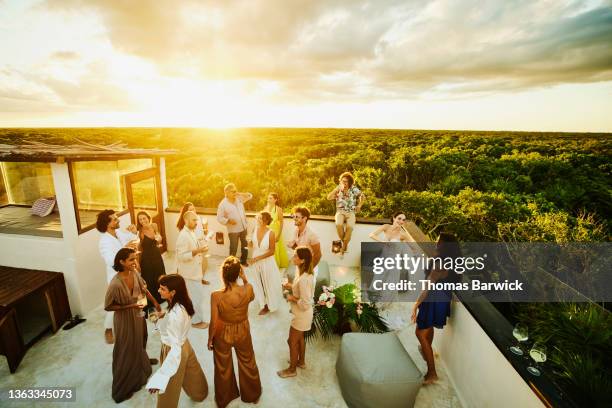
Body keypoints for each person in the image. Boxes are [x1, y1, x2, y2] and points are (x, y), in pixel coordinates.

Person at [104, 248, 161, 403]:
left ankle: (142, 362)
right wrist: (130, 306)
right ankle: (122, 388)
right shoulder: (115, 284)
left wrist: (155, 301)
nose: (135, 262)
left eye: (135, 259)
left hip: (138, 314)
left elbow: (144, 288)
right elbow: (108, 306)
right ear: (121, 262)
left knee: (141, 338)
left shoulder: (134, 273)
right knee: (125, 348)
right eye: (131, 260)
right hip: (124, 319)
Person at [146, 274, 209, 407]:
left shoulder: (175, 315)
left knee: (169, 388)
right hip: (185, 345)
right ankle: (200, 393)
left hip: (173, 349)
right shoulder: (182, 304)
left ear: (173, 292)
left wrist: (159, 380)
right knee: (193, 371)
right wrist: (164, 316)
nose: (158, 291)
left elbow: (174, 349)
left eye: (162, 289)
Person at [208, 257, 262, 408]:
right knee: (248, 361)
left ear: (223, 275)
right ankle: (253, 395)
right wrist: (245, 279)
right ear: (239, 273)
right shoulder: (248, 288)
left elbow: (213, 322)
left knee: (222, 366)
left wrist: (210, 339)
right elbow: (251, 297)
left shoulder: (216, 296)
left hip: (222, 332)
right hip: (243, 330)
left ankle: (224, 399)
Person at [411, 233, 461, 385]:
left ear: (443, 245)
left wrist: (415, 305)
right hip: (443, 298)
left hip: (433, 298)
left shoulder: (440, 262)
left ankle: (432, 372)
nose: (435, 242)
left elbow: (428, 287)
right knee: (428, 327)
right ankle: (428, 354)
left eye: (438, 240)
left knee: (419, 332)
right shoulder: (453, 261)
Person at [97, 209, 138, 344]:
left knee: (132, 298)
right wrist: (124, 250)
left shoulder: (118, 232)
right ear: (107, 224)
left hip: (130, 272)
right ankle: (108, 329)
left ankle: (134, 321)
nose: (118, 220)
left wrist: (133, 232)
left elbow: (132, 240)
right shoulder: (104, 242)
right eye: (115, 219)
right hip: (117, 277)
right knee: (116, 304)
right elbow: (110, 261)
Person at [277, 247, 315, 378]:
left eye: (295, 256)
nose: (293, 258)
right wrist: (291, 286)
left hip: (301, 315)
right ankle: (301, 362)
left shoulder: (304, 279)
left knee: (291, 341)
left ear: (302, 260)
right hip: (303, 315)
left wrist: (291, 297)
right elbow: (303, 291)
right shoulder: (305, 273)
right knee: (299, 339)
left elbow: (305, 303)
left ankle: (292, 370)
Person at [176, 211, 209, 329]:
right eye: (194, 220)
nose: (196, 222)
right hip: (189, 274)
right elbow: (181, 257)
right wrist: (197, 251)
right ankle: (196, 322)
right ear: (186, 221)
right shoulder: (183, 236)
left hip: (195, 271)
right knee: (196, 297)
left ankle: (193, 318)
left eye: (196, 220)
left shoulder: (191, 232)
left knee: (196, 296)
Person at [248, 211, 283, 315]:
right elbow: (252, 246)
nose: (257, 220)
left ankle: (269, 305)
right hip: (255, 260)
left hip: (266, 262)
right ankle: (262, 302)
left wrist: (258, 258)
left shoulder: (271, 233)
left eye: (260, 218)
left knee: (266, 283)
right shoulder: (254, 230)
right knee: (258, 281)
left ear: (266, 220)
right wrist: (249, 243)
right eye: (257, 218)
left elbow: (272, 251)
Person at [326, 172, 364, 255]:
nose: (344, 183)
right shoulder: (338, 188)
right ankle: (345, 245)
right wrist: (335, 190)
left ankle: (343, 248)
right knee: (339, 224)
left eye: (346, 181)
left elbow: (362, 196)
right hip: (340, 211)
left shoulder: (354, 189)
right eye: (342, 181)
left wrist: (359, 205)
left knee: (349, 228)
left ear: (350, 182)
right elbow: (328, 197)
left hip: (351, 212)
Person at [216, 183, 252, 266]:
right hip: (233, 230)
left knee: (245, 245)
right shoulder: (222, 204)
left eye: (235, 191)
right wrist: (228, 221)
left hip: (244, 227)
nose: (235, 193)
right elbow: (219, 218)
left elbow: (250, 196)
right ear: (227, 193)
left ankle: (243, 261)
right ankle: (231, 265)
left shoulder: (239, 198)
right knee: (233, 248)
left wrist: (239, 194)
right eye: (233, 191)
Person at [137, 211, 166, 304]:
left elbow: (158, 238)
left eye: (144, 218)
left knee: (160, 275)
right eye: (140, 219)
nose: (142, 221)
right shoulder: (139, 231)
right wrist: (138, 263)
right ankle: (152, 301)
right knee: (149, 279)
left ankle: (162, 297)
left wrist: (159, 239)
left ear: (148, 217)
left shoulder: (154, 225)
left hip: (156, 255)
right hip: (146, 258)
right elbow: (139, 248)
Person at [177, 202, 210, 285]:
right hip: (194, 246)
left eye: (193, 208)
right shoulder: (184, 230)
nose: (193, 211)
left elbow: (202, 231)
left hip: (202, 243)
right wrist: (197, 249)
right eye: (190, 210)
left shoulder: (198, 218)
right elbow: (182, 256)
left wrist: (206, 233)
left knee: (204, 263)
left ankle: (201, 278)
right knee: (194, 264)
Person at [286, 207, 321, 280]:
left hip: (309, 268)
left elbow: (318, 255)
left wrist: (307, 271)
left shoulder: (312, 235)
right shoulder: (296, 230)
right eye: (294, 216)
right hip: (299, 265)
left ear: (305, 218)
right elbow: (299, 247)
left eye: (297, 217)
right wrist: (292, 246)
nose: (294, 218)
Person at [263, 193, 289, 269]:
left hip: (275, 231)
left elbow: (281, 223)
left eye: (271, 198)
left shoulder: (278, 209)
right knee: (267, 248)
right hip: (267, 231)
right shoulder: (265, 208)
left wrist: (279, 235)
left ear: (275, 200)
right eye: (268, 198)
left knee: (275, 248)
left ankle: (275, 265)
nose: (268, 200)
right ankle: (268, 264)